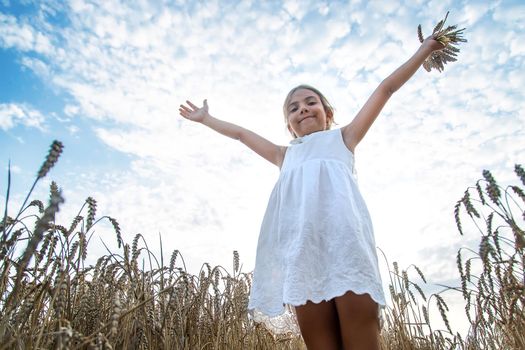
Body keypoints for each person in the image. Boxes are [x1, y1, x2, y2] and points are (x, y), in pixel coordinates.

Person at [179, 35, 445, 350]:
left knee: (361, 341)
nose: (303, 109)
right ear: (289, 125)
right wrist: (207, 119)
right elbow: (240, 134)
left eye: (310, 103)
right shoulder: (284, 155)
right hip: (302, 258)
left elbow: (386, 88)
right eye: (294, 108)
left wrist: (424, 49)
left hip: (347, 251)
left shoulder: (345, 138)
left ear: (327, 113)